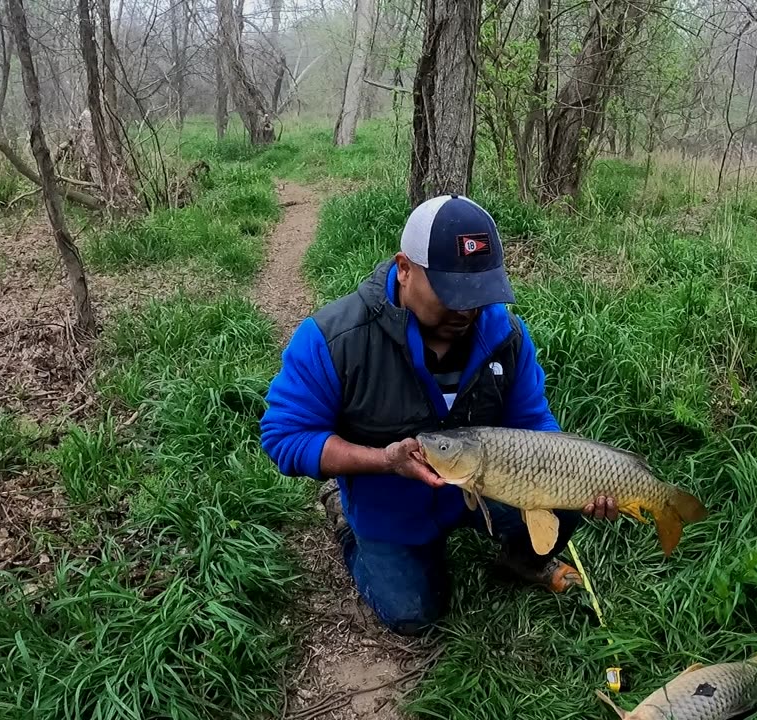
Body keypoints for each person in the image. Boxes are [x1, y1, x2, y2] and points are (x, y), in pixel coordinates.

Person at [259, 193, 619, 636]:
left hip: (483, 482)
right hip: (390, 502)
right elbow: (283, 438)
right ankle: (344, 516)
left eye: (479, 294)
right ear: (404, 269)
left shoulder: (506, 335)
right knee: (413, 614)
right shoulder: (334, 338)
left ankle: (520, 563)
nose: (466, 310)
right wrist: (383, 461)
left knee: (566, 499)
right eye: (452, 293)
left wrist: (574, 470)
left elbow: (534, 423)